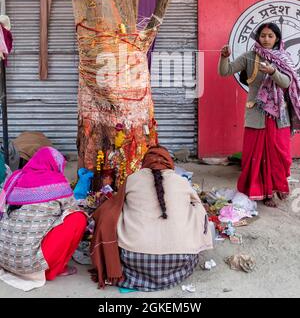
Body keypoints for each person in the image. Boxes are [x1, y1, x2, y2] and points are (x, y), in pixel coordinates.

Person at [90, 146, 213, 291]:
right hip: (180, 260)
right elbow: (198, 206)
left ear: (145, 162)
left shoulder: (132, 179)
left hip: (133, 259)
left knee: (113, 210)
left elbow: (113, 207)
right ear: (169, 162)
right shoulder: (181, 182)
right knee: (197, 210)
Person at [219, 22, 300, 207]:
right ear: (258, 37)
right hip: (256, 114)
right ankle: (265, 193)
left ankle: (277, 187)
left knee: (280, 154)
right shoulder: (249, 57)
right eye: (263, 35)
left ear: (277, 38)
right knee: (255, 155)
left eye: (270, 36)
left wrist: (273, 72)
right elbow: (225, 71)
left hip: (279, 115)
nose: (266, 39)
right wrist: (224, 57)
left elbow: (287, 83)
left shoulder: (283, 58)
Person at [0, 147, 87, 290]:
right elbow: (72, 208)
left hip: (4, 258)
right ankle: (55, 270)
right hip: (27, 264)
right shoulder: (56, 182)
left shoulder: (15, 177)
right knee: (78, 218)